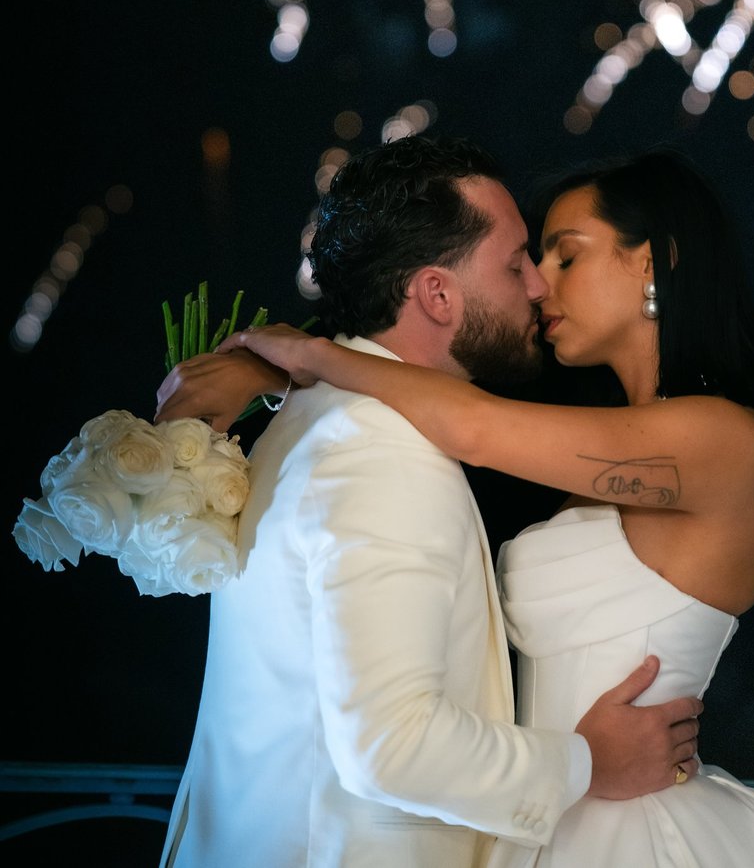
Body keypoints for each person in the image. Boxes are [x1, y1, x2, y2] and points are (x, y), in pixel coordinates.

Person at [200, 146, 754, 868]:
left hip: (631, 819)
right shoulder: (604, 439)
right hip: (554, 805)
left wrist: (310, 358)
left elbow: (473, 426)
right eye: (528, 260)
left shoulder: (726, 441)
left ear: (652, 263)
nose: (538, 284)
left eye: (565, 256)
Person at [153, 136, 703, 868]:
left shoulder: (321, 417)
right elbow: (391, 745)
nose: (537, 287)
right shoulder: (377, 454)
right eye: (515, 264)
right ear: (438, 295)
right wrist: (586, 763)